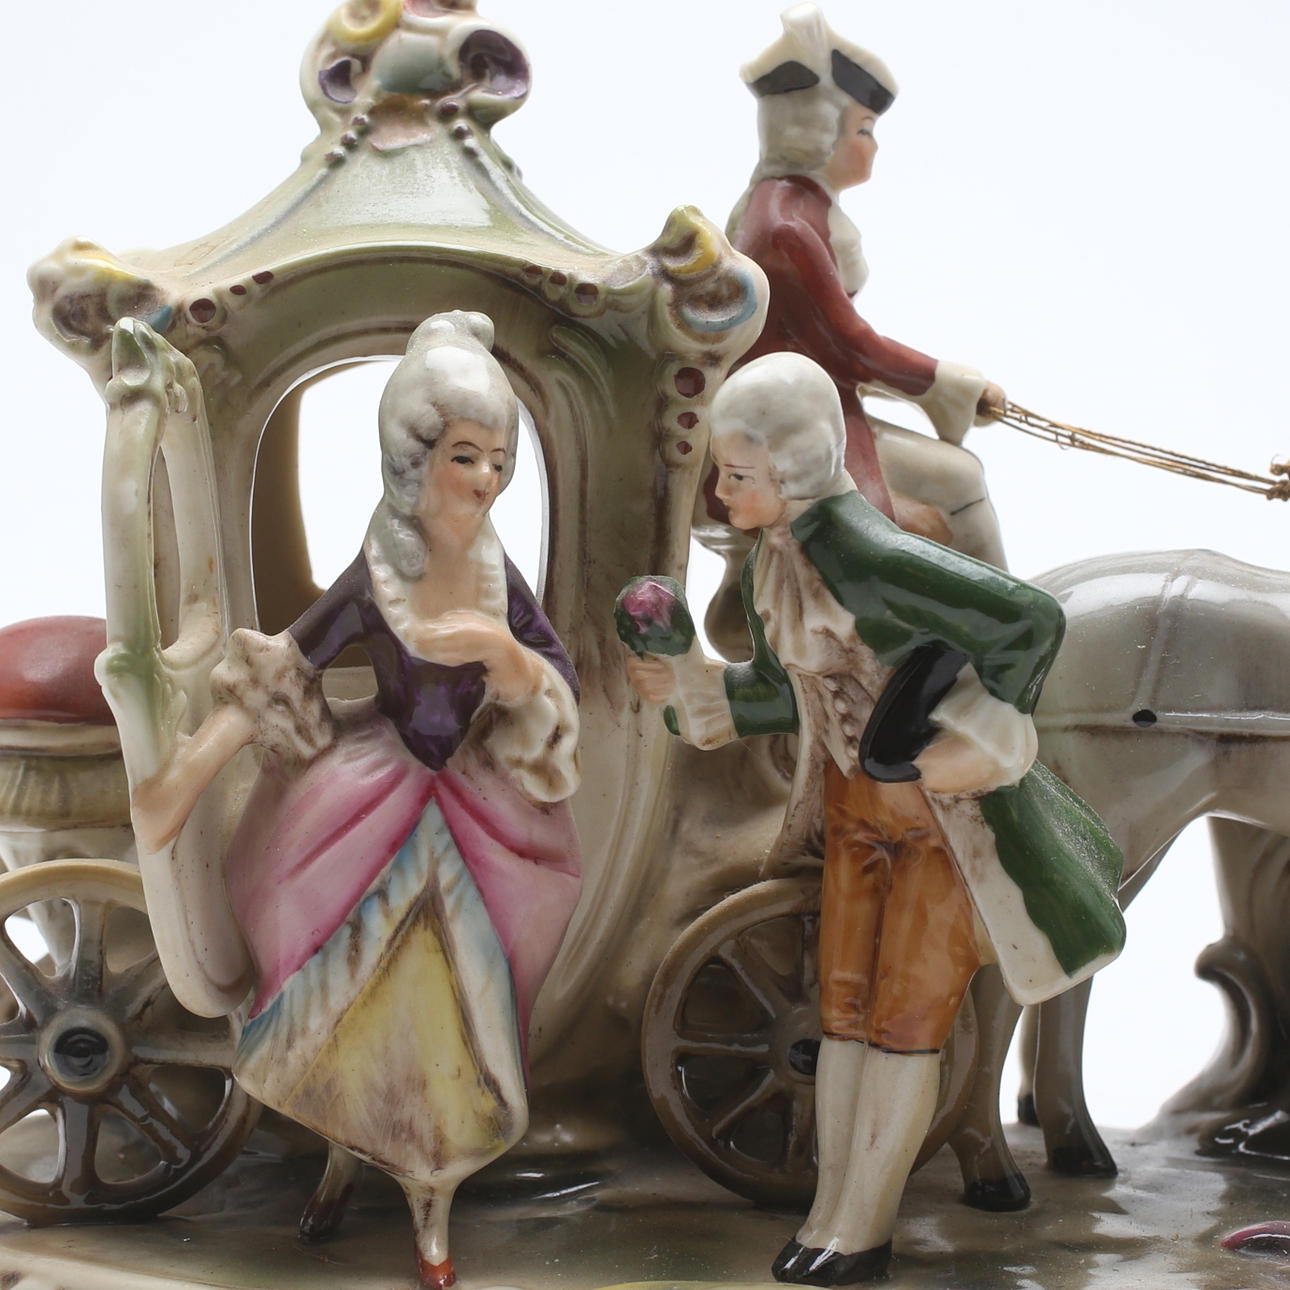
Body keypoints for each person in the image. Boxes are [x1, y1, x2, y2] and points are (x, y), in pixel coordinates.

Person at [621, 351, 1124, 1286]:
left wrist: (976, 726)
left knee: (902, 1021)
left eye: (738, 475)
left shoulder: (875, 559)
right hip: (853, 820)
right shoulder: (773, 567)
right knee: (844, 1014)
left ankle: (865, 1224)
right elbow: (786, 694)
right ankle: (832, 1211)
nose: (721, 496)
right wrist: (692, 684)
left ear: (798, 467)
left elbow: (1028, 621)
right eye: (722, 474)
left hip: (937, 830)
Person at [132, 311, 582, 1290]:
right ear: (413, 462)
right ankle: (342, 1154)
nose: (486, 480)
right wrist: (189, 775)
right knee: (339, 999)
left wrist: (503, 655)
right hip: (373, 799)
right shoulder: (380, 571)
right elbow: (286, 666)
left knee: (458, 1017)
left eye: (499, 460)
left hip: (479, 809)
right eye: (465, 458)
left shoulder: (496, 576)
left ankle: (433, 1204)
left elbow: (557, 679)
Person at [723, 4, 1005, 556]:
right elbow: (848, 345)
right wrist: (952, 385)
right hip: (797, 424)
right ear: (816, 131)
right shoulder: (789, 227)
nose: (873, 145)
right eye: (864, 129)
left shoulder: (793, 209)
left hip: (814, 404)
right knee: (963, 479)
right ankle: (1000, 604)